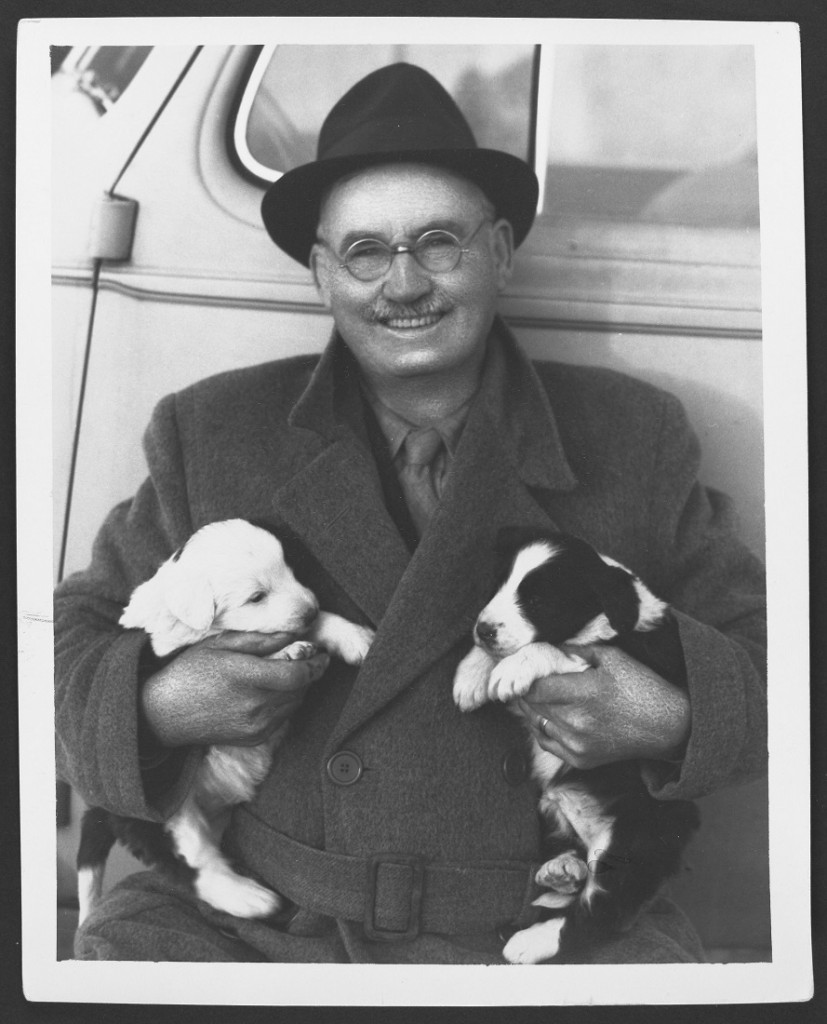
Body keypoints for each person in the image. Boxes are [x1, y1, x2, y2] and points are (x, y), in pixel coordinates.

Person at [56, 63, 766, 964]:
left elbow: (771, 663)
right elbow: (64, 646)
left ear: (501, 251)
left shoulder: (632, 434)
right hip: (256, 922)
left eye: (437, 242)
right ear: (321, 273)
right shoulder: (212, 430)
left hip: (548, 928)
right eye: (364, 252)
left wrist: (664, 716)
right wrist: (164, 703)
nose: (403, 285)